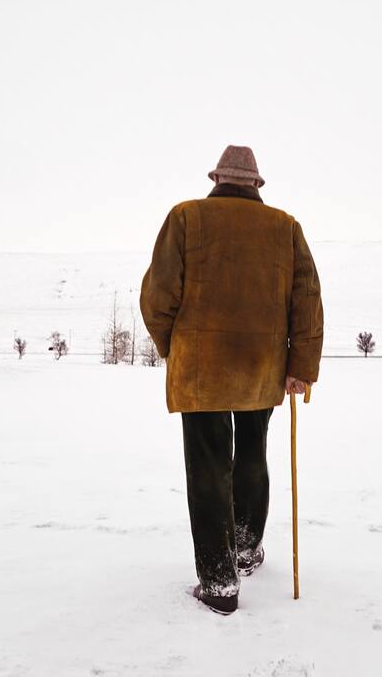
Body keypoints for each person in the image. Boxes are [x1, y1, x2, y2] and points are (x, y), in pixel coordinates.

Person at [139, 145, 324, 615]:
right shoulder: (285, 227)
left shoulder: (186, 217)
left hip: (201, 370)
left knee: (207, 468)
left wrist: (175, 347)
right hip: (262, 367)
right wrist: (300, 367)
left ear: (216, 179)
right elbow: (307, 299)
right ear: (256, 184)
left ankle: (220, 583)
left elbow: (157, 297)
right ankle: (244, 549)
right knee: (252, 455)